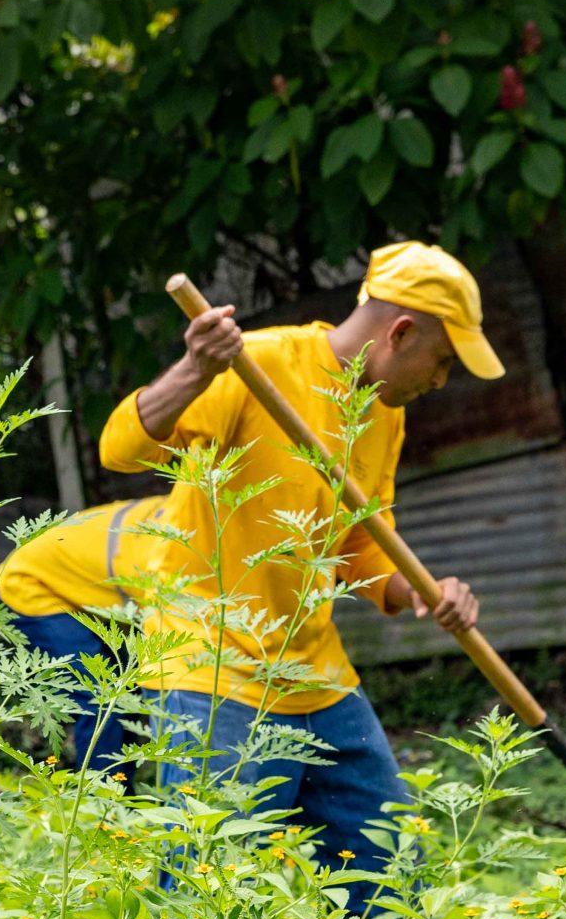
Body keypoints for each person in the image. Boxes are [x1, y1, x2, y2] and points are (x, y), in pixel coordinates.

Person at [96, 241, 500, 882]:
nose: (442, 381)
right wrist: (196, 370)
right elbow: (120, 448)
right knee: (211, 894)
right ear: (401, 332)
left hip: (317, 672)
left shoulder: (379, 411)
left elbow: (358, 542)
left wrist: (418, 589)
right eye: (444, 360)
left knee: (389, 871)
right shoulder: (260, 365)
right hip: (215, 667)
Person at [0, 495, 163, 774]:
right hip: (32, 584)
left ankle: (121, 794)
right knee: (101, 695)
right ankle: (100, 805)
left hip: (82, 592)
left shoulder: (176, 511)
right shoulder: (171, 541)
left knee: (126, 692)